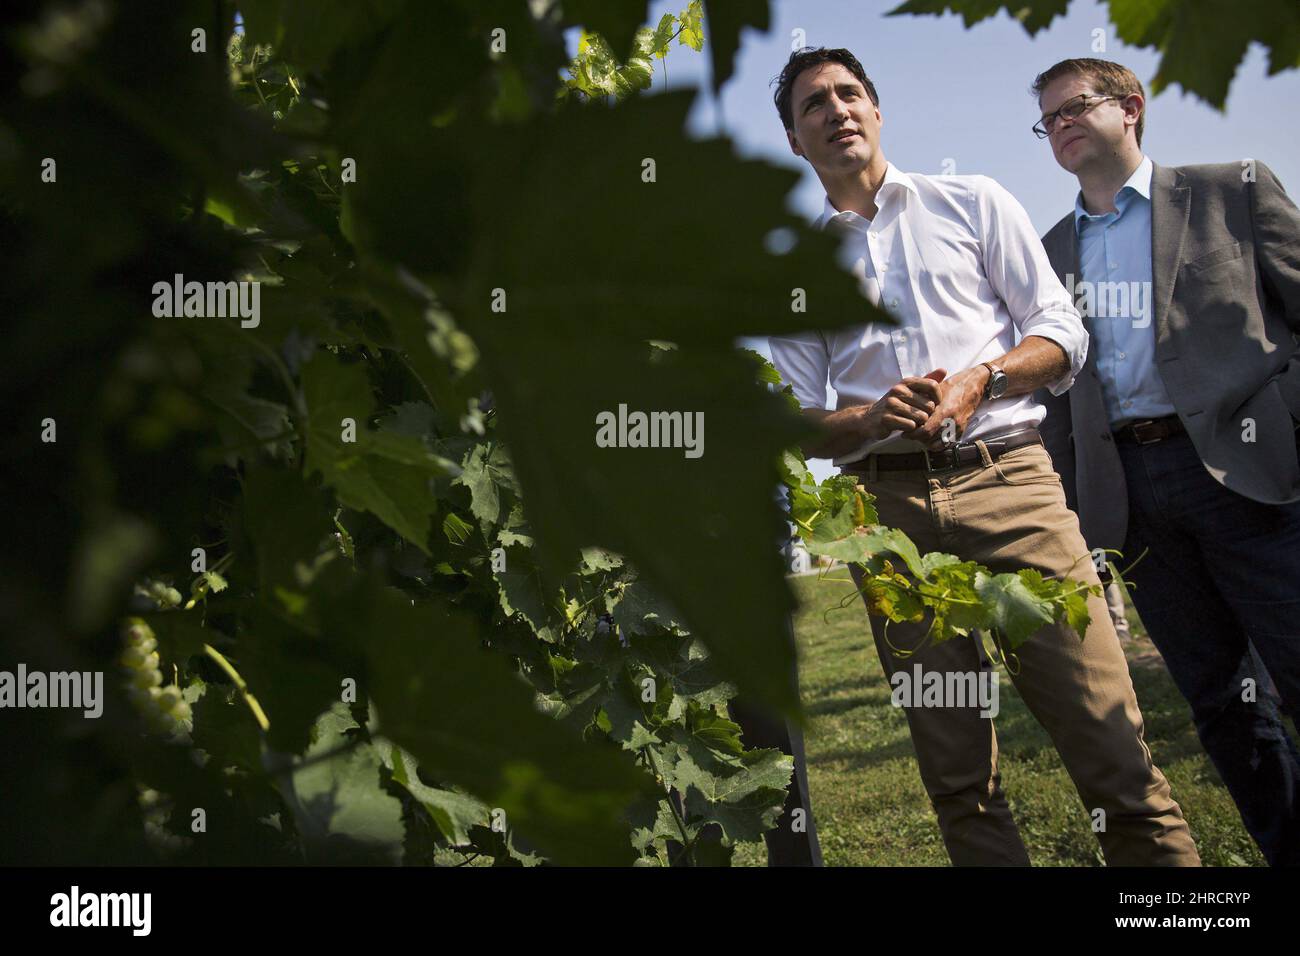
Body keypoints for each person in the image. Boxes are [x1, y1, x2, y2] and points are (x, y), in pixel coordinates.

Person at [767, 47, 1200, 866]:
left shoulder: (973, 201)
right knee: (960, 778)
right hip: (884, 520)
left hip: (1013, 486)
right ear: (795, 140)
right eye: (813, 104)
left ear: (878, 108)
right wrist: (863, 420)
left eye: (849, 92)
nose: (836, 110)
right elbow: (790, 420)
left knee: (1112, 750)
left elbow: (1061, 331)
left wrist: (983, 378)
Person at [1028, 57, 1300, 865]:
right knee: (1219, 702)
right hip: (1133, 500)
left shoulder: (1232, 191)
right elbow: (1055, 400)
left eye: (1075, 107)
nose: (1062, 125)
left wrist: (1286, 425)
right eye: (1048, 121)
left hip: (1248, 473)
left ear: (1131, 108)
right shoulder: (1048, 252)